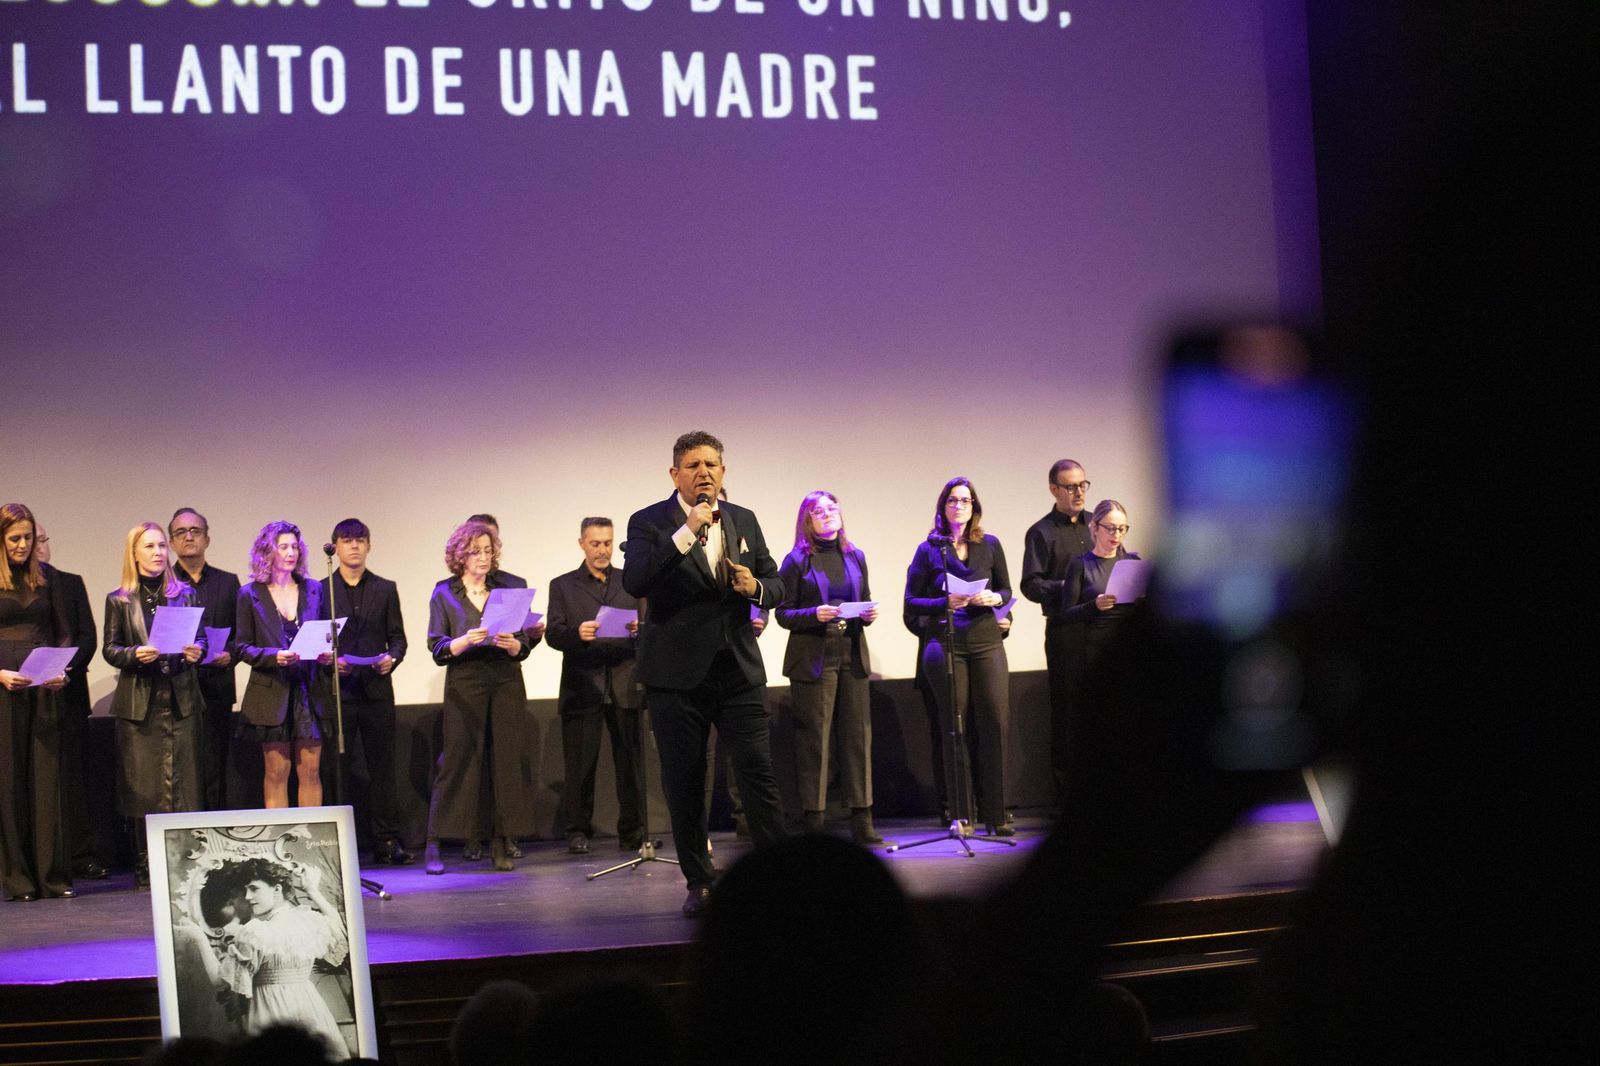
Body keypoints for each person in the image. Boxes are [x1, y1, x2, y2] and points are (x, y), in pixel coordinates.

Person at [621, 430, 788, 917]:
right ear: (675, 474)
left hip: (737, 668)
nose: (704, 473)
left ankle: (777, 876)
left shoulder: (744, 519)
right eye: (693, 466)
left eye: (712, 464)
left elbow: (776, 582)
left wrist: (757, 586)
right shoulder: (649, 522)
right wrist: (687, 530)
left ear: (724, 471)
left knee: (757, 775)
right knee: (687, 783)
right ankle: (701, 882)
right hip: (676, 676)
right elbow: (637, 579)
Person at [423, 519, 544, 874]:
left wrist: (518, 643)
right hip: (466, 679)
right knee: (459, 758)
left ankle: (502, 840)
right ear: (460, 555)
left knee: (506, 760)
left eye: (488, 551)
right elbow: (437, 645)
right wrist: (464, 641)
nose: (483, 558)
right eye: (476, 551)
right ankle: (435, 842)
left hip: (504, 677)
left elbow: (527, 640)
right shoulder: (444, 592)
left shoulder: (511, 587)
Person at [904, 477, 1015, 836]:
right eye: (953, 500)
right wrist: (944, 601)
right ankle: (961, 815)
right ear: (943, 506)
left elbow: (1005, 589)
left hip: (986, 641)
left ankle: (996, 815)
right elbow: (910, 603)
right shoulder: (929, 549)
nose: (959, 506)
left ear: (974, 507)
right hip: (946, 642)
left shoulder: (991, 545)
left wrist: (995, 599)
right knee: (955, 727)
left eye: (966, 500)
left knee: (995, 723)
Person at [102, 523, 207, 885]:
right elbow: (110, 650)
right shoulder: (119, 598)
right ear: (135, 553)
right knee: (143, 788)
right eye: (150, 546)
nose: (159, 552)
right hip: (140, 703)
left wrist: (198, 651)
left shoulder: (186, 594)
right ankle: (146, 863)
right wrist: (136, 653)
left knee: (184, 785)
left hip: (180, 697)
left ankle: (185, 862)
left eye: (163, 545)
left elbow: (202, 639)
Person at [775, 490, 883, 845]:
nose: (827, 514)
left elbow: (862, 597)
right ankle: (815, 820)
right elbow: (782, 613)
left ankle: (862, 819)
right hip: (814, 656)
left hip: (851, 651)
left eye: (832, 508)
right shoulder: (796, 561)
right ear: (807, 520)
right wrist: (813, 614)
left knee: (857, 738)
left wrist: (866, 613)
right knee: (815, 742)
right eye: (819, 511)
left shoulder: (856, 556)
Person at [175, 857, 351, 1058]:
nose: (248, 897)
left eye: (254, 889)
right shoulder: (309, 921)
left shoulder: (256, 932)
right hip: (310, 1007)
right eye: (245, 891)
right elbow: (342, 932)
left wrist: (199, 937)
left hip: (272, 1012)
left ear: (277, 889)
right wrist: (312, 891)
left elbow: (220, 982)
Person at [545, 517, 644, 855]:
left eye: (607, 543)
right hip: (583, 685)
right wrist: (577, 634)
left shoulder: (631, 582)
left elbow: (650, 626)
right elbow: (553, 634)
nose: (602, 550)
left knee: (630, 765)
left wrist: (638, 630)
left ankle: (634, 832)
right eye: (595, 543)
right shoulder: (563, 585)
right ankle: (577, 831)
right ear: (582, 544)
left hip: (625, 683)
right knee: (580, 766)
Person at [325, 519, 412, 866]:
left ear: (369, 545)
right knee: (338, 767)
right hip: (339, 692)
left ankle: (386, 840)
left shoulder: (385, 588)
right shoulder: (323, 590)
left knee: (383, 769)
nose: (354, 546)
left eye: (360, 540)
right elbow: (319, 639)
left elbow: (399, 639)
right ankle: (340, 842)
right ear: (336, 546)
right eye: (347, 541)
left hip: (376, 690)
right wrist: (331, 663)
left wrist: (393, 659)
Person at [233, 522, 335, 810]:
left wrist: (326, 654)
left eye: (295, 547)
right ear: (268, 551)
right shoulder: (249, 593)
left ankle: (310, 844)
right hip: (271, 691)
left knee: (310, 770)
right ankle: (280, 845)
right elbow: (241, 647)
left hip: (308, 689)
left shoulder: (313, 589)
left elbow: (325, 634)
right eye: (284, 547)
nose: (291, 553)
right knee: (277, 772)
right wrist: (273, 656)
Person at [0, 503, 74, 902]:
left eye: (28, 538)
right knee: (9, 782)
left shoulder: (47, 579)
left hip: (42, 682)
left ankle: (51, 876)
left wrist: (62, 668)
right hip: (4, 687)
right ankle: (17, 878)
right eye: (15, 538)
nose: (23, 545)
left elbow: (63, 632)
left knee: (46, 782)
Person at [1020, 460, 1096, 810]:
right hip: (1066, 630)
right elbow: (1031, 586)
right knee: (1068, 713)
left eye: (1083, 485)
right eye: (1070, 487)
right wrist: (1070, 587)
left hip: (1102, 628)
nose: (1078, 492)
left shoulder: (1098, 523)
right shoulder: (1042, 531)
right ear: (1054, 489)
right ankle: (1069, 799)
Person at [34, 524, 108, 880]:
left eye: (41, 539)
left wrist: (63, 669)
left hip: (67, 695)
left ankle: (80, 855)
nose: (35, 546)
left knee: (73, 782)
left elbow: (87, 638)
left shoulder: (70, 583)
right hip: (22, 697)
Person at [168, 509, 243, 812]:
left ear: (207, 538)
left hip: (217, 686)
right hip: (177, 686)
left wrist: (232, 655)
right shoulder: (164, 583)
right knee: (181, 766)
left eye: (195, 531)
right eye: (181, 532)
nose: (189, 536)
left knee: (215, 765)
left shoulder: (228, 583)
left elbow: (243, 634)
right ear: (172, 542)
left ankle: (216, 830)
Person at [1059, 500, 1142, 675]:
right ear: (1095, 528)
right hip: (1097, 648)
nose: (1117, 534)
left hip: (1131, 645)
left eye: (1122, 528)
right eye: (1110, 528)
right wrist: (1094, 605)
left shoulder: (1132, 563)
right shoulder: (1080, 565)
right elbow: (1066, 614)